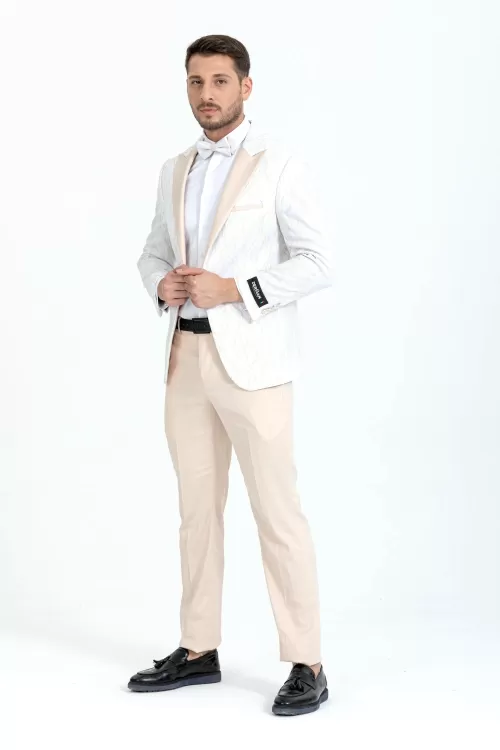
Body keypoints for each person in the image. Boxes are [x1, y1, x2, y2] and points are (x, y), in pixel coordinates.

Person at [129, 34, 332, 716]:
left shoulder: (279, 163)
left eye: (219, 81)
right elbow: (152, 253)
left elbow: (317, 261)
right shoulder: (174, 169)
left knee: (277, 512)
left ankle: (308, 660)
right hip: (184, 360)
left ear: (245, 86)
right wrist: (163, 285)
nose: (206, 94)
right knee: (196, 512)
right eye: (196, 82)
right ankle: (198, 649)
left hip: (255, 364)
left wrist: (237, 289)